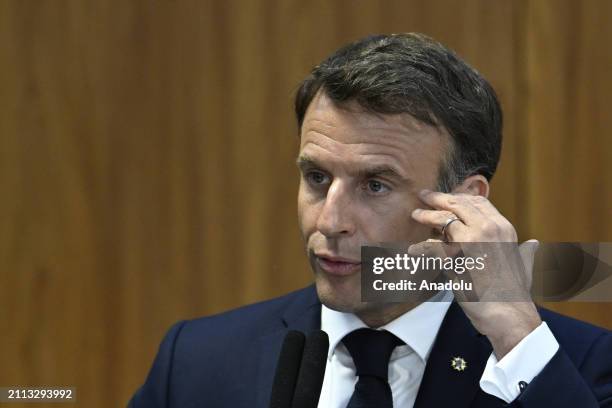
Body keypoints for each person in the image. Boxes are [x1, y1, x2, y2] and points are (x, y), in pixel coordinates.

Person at [129, 33, 612, 407]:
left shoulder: (575, 367)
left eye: (375, 185)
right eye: (317, 177)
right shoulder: (196, 361)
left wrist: (515, 336)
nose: (330, 220)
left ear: (464, 205)